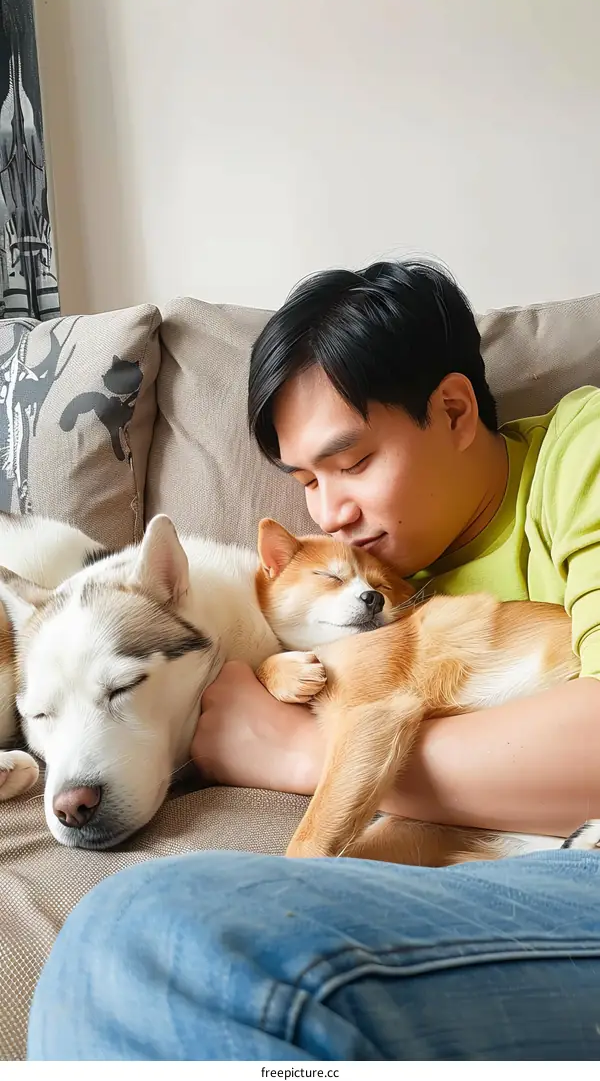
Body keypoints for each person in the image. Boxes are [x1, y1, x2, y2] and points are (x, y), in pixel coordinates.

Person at [28, 260, 600, 1061]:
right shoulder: (378, 589)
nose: (331, 512)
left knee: (141, 937)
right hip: (492, 874)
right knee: (129, 941)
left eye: (354, 462)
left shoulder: (584, 449)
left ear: (454, 408)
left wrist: (301, 750)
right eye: (305, 479)